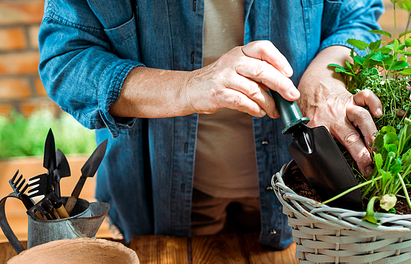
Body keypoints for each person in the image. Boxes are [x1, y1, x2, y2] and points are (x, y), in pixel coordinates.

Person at [38, 0, 384, 249]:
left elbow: (356, 18)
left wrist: (323, 80)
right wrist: (186, 87)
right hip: (157, 203)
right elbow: (66, 59)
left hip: (298, 204)